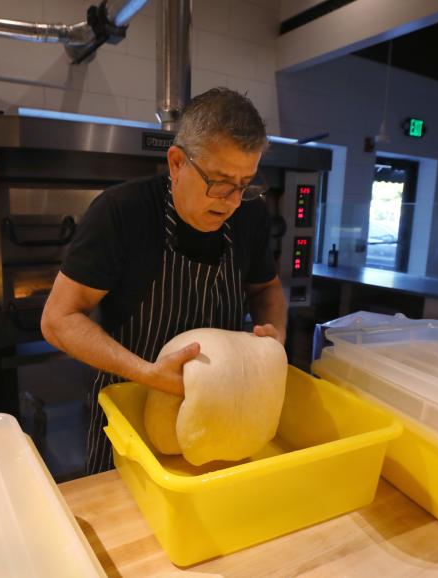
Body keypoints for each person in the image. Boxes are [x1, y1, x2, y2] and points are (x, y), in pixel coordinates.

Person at [41, 87, 287, 475]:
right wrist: (149, 374)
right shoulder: (122, 212)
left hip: (219, 415)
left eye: (245, 183)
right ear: (176, 163)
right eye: (220, 181)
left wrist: (277, 340)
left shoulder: (249, 214)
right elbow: (58, 319)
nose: (232, 201)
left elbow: (266, 288)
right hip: (130, 408)